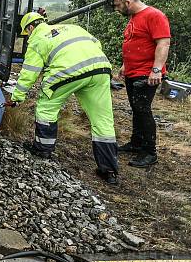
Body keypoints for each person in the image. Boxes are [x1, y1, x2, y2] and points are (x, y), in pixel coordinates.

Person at [7, 12, 119, 185]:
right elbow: (96, 43)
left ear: (30, 28)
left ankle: (42, 149)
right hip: (100, 69)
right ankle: (109, 170)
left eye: (26, 33)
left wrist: (17, 97)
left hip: (68, 72)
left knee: (46, 107)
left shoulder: (37, 40)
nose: (27, 36)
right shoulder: (72, 27)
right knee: (102, 119)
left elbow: (29, 73)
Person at [113, 0, 171, 168]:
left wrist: (156, 70)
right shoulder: (134, 17)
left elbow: (163, 43)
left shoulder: (154, 15)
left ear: (127, 2)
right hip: (133, 71)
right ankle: (136, 143)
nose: (117, 9)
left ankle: (149, 152)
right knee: (136, 108)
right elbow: (134, 41)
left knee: (143, 109)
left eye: (117, 6)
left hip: (147, 73)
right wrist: (125, 65)